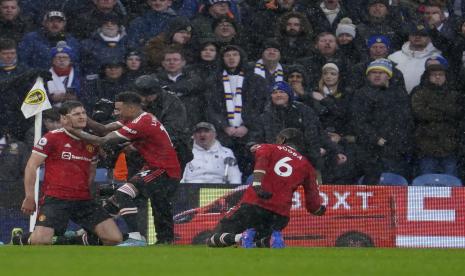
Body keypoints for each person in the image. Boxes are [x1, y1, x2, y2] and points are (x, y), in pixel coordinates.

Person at [64, 92, 181, 246]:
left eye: (119, 109)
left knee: (123, 194)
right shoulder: (135, 118)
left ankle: (136, 238)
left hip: (163, 169)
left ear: (131, 108)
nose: (116, 113)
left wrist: (72, 130)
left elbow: (102, 140)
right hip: (153, 167)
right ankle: (87, 230)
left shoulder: (142, 123)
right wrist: (83, 117)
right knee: (115, 202)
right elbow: (103, 128)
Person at [20, 100, 123, 245]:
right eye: (76, 114)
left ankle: (72, 241)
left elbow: (91, 172)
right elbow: (31, 166)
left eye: (83, 113)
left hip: (83, 200)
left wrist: (88, 193)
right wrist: (30, 197)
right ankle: (22, 239)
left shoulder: (91, 142)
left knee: (114, 238)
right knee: (41, 242)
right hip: (56, 199)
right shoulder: (52, 138)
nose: (82, 117)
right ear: (64, 119)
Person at [207, 128, 325, 248]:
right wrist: (320, 209)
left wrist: (257, 183)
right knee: (255, 242)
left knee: (213, 239)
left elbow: (261, 159)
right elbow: (313, 206)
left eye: (277, 139)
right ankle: (271, 239)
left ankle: (241, 237)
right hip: (280, 216)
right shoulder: (307, 167)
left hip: (254, 206)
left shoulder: (269, 148)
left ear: (283, 139)